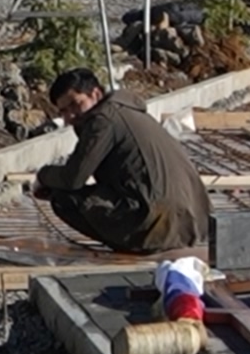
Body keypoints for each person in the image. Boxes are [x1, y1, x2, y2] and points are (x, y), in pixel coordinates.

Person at [32, 69, 211, 254]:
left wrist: (43, 176)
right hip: (193, 222)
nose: (70, 116)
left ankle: (135, 245)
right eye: (63, 111)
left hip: (161, 224)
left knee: (63, 198)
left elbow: (74, 178)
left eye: (75, 104)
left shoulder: (103, 121)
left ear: (95, 94)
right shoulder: (127, 111)